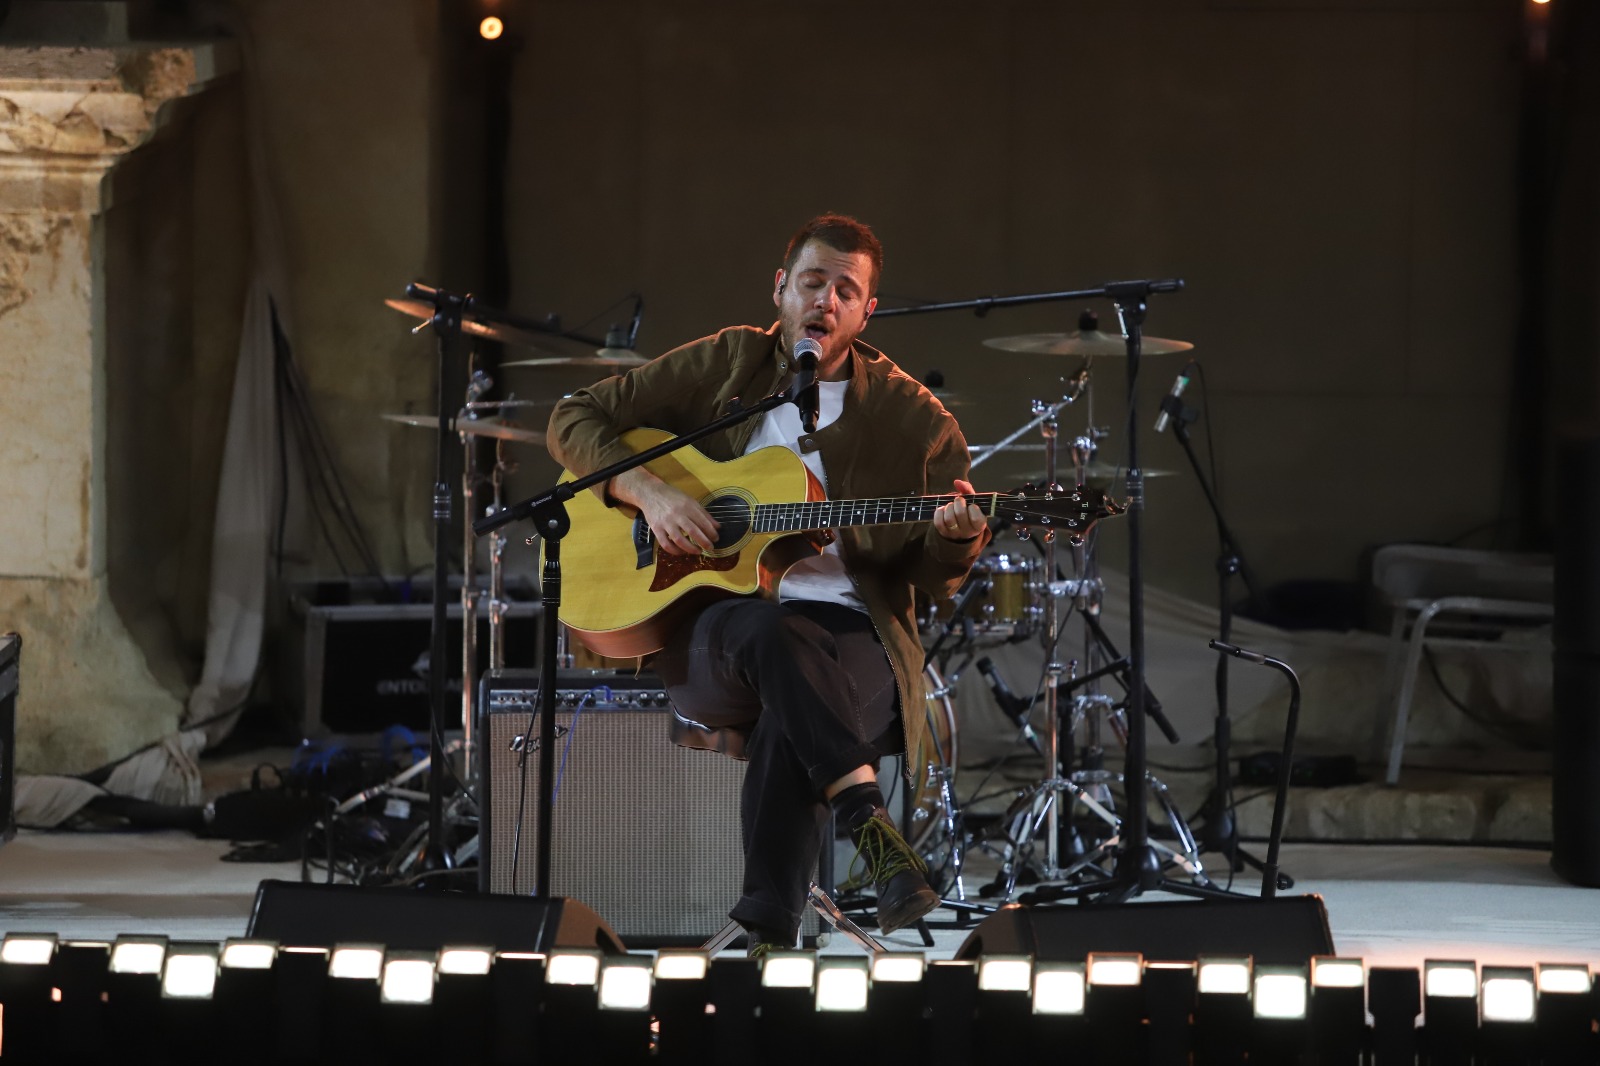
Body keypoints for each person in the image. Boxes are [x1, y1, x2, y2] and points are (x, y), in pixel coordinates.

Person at [546, 214, 990, 951]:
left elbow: (935, 579)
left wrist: (958, 538)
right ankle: (868, 827)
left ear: (867, 312)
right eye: (813, 282)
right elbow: (574, 416)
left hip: (854, 635)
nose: (826, 301)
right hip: (718, 629)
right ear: (781, 288)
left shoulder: (918, 422)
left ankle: (767, 931)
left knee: (798, 696)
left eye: (847, 291)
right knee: (774, 632)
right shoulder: (729, 362)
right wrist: (650, 495)